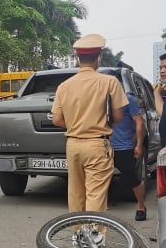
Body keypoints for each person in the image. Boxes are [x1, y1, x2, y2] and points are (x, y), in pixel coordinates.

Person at [51, 34, 128, 213]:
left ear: (77, 58)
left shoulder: (64, 86)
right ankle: (94, 237)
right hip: (96, 144)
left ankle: (78, 234)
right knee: (96, 193)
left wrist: (77, 124)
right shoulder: (109, 82)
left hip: (73, 145)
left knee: (76, 193)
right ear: (99, 57)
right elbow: (118, 116)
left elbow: (56, 119)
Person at [108, 85, 148, 221]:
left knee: (132, 179)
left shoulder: (127, 99)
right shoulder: (99, 98)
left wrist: (138, 145)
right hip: (102, 146)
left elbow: (139, 122)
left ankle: (141, 205)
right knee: (100, 178)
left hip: (123, 147)